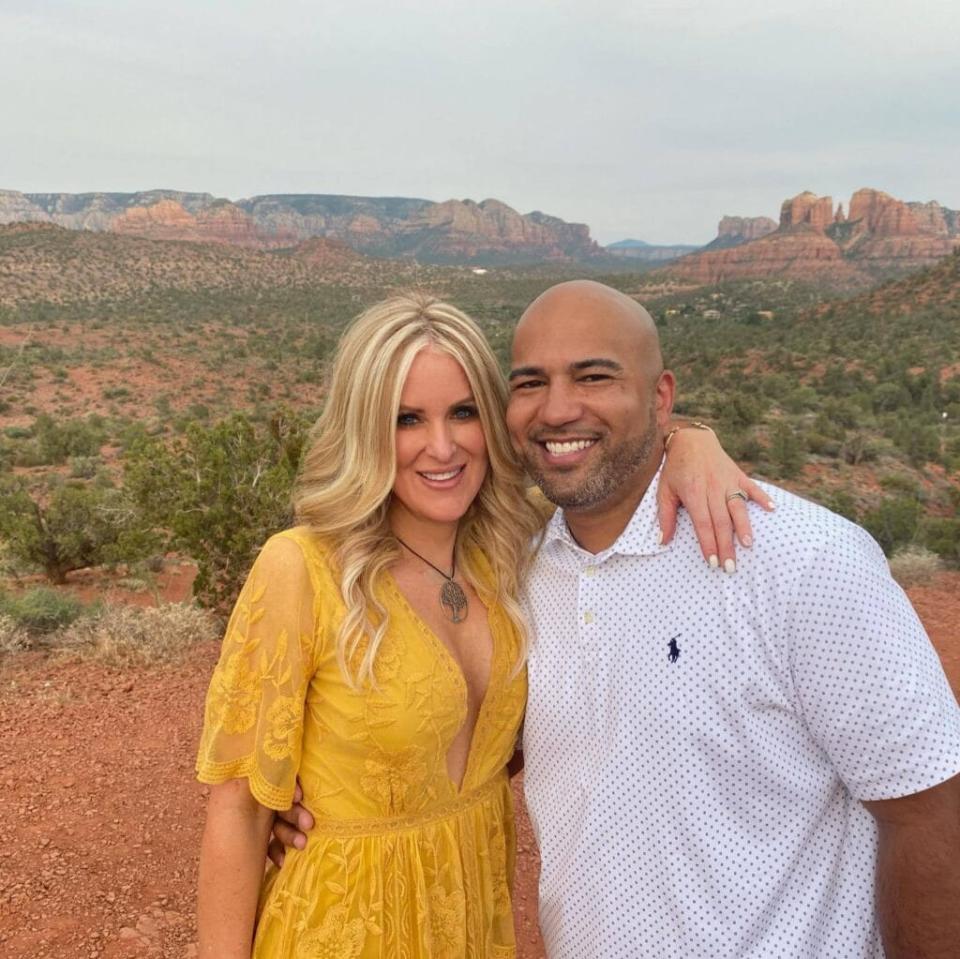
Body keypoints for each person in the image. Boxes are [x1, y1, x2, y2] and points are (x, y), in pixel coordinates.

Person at [194, 291, 762, 958]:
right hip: (339, 928)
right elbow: (237, 811)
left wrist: (688, 439)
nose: (442, 446)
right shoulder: (304, 570)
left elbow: (608, 459)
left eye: (463, 412)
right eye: (407, 418)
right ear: (364, 429)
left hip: (470, 921)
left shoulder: (519, 551)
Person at [508, 281, 960, 958]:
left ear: (662, 396)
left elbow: (929, 807)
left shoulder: (800, 559)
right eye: (529, 382)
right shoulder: (519, 575)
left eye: (594, 375)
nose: (558, 407)